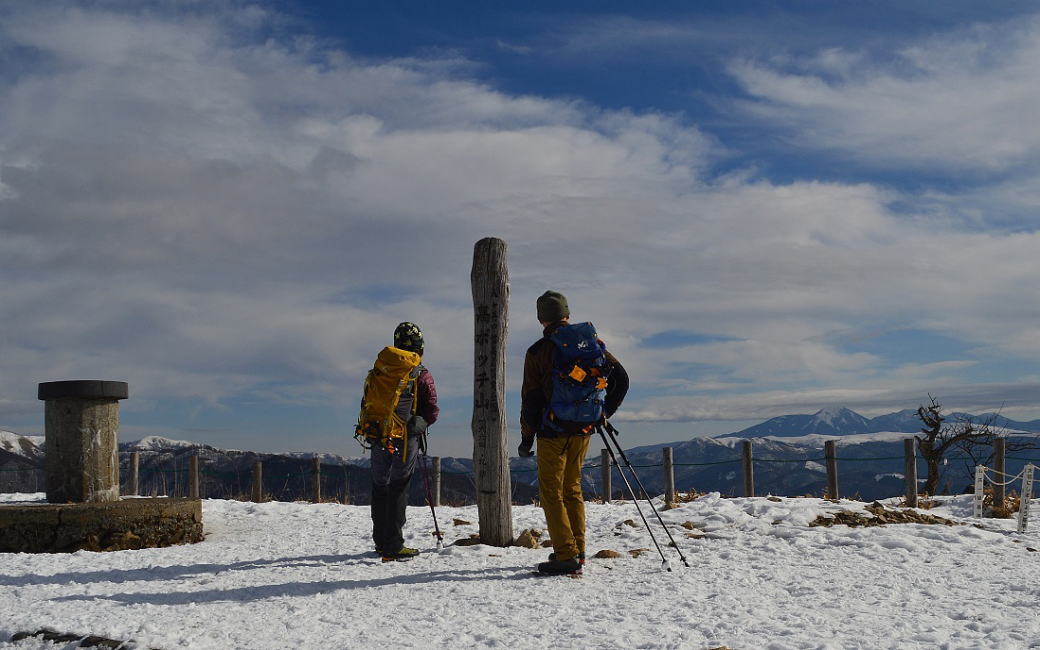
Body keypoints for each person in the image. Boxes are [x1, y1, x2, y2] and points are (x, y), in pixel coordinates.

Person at [519, 291, 628, 575]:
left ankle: (566, 554)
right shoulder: (590, 345)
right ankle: (577, 549)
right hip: (584, 428)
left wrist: (526, 438)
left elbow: (531, 400)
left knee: (551, 493)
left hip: (551, 431)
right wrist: (603, 413)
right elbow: (622, 378)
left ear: (541, 319)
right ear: (567, 314)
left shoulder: (538, 351)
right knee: (573, 488)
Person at [363, 322, 439, 560]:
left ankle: (381, 541)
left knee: (380, 486)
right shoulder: (420, 373)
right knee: (398, 487)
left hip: (378, 434)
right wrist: (421, 423)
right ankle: (394, 545)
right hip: (405, 438)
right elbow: (432, 410)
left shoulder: (381, 369)